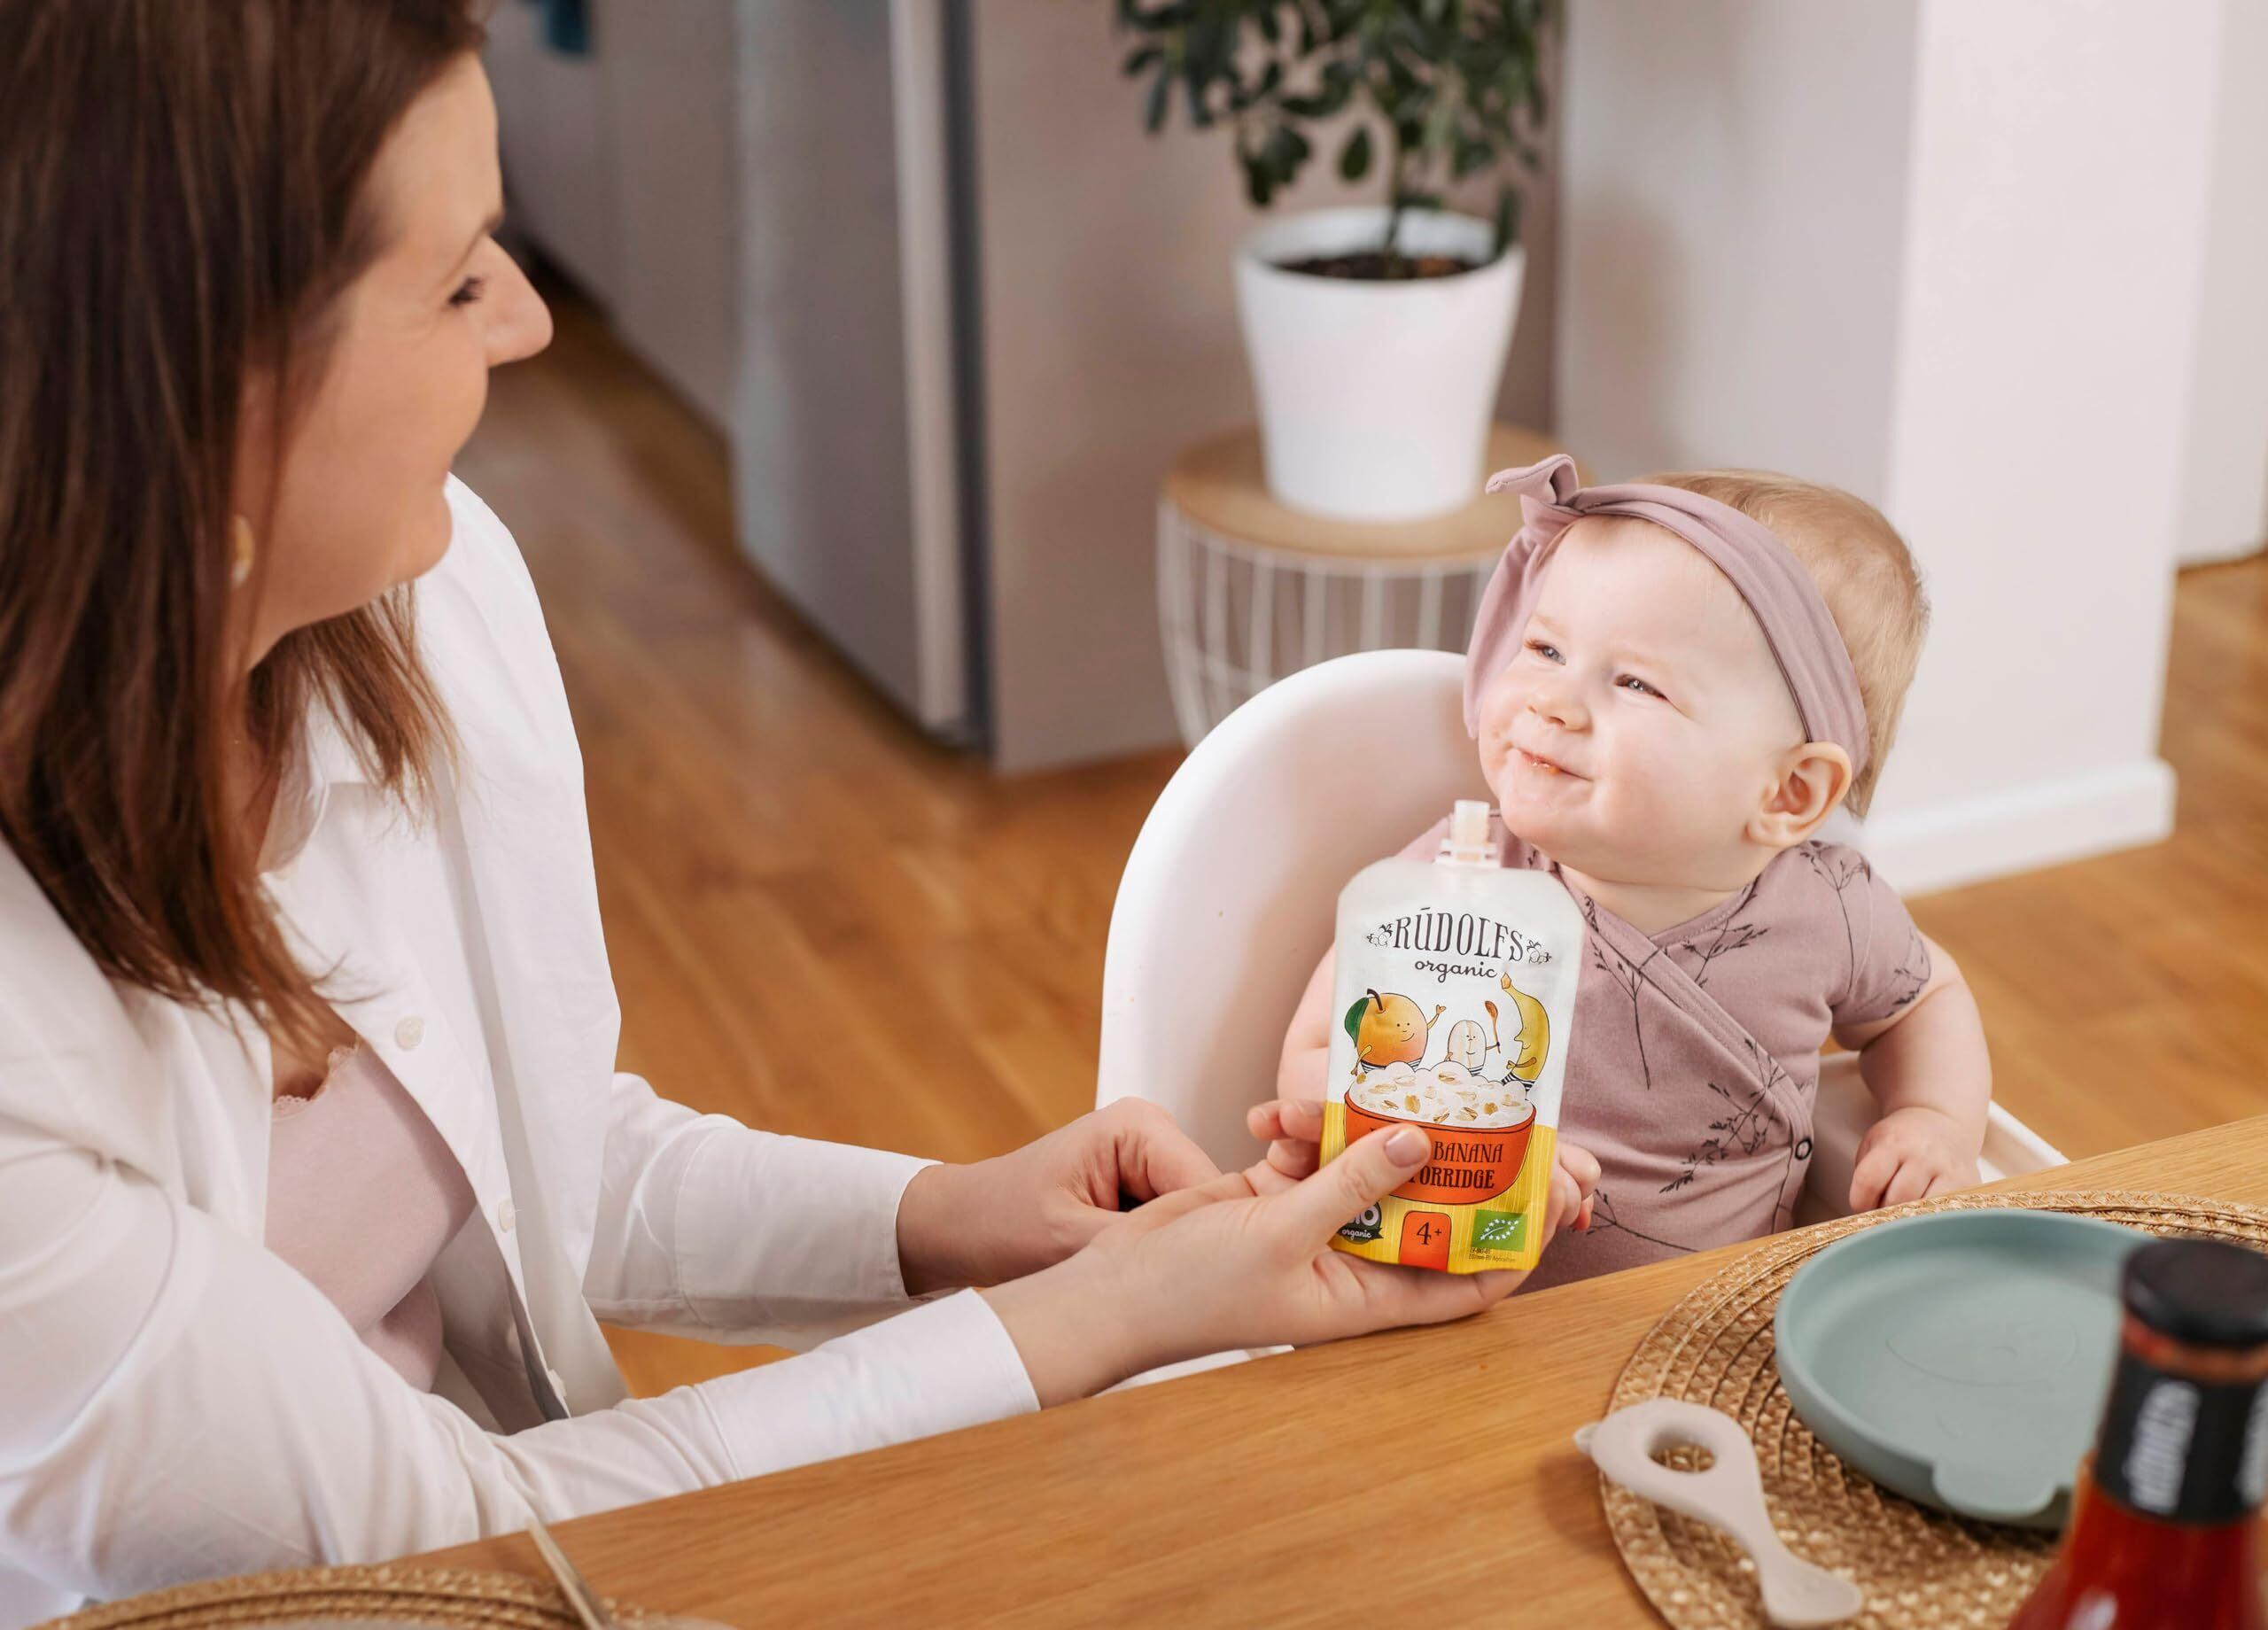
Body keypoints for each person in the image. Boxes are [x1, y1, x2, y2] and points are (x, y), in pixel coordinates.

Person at [0, 4, 1581, 1619]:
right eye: (461, 280)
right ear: (198, 388)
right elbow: (449, 1544)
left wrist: (944, 1223)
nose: (530, 319)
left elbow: (530, 1153)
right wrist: (1105, 1318)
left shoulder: (417, 603)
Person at [1262, 457, 1995, 1291]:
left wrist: (1936, 1118)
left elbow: (1923, 1000)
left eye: (1636, 683)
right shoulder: (1462, 881)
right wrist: (1456, 1140)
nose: (1550, 700)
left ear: (1788, 792)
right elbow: (1316, 1051)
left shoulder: (1832, 910)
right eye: (1544, 648)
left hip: (1708, 1315)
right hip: (1438, 1299)